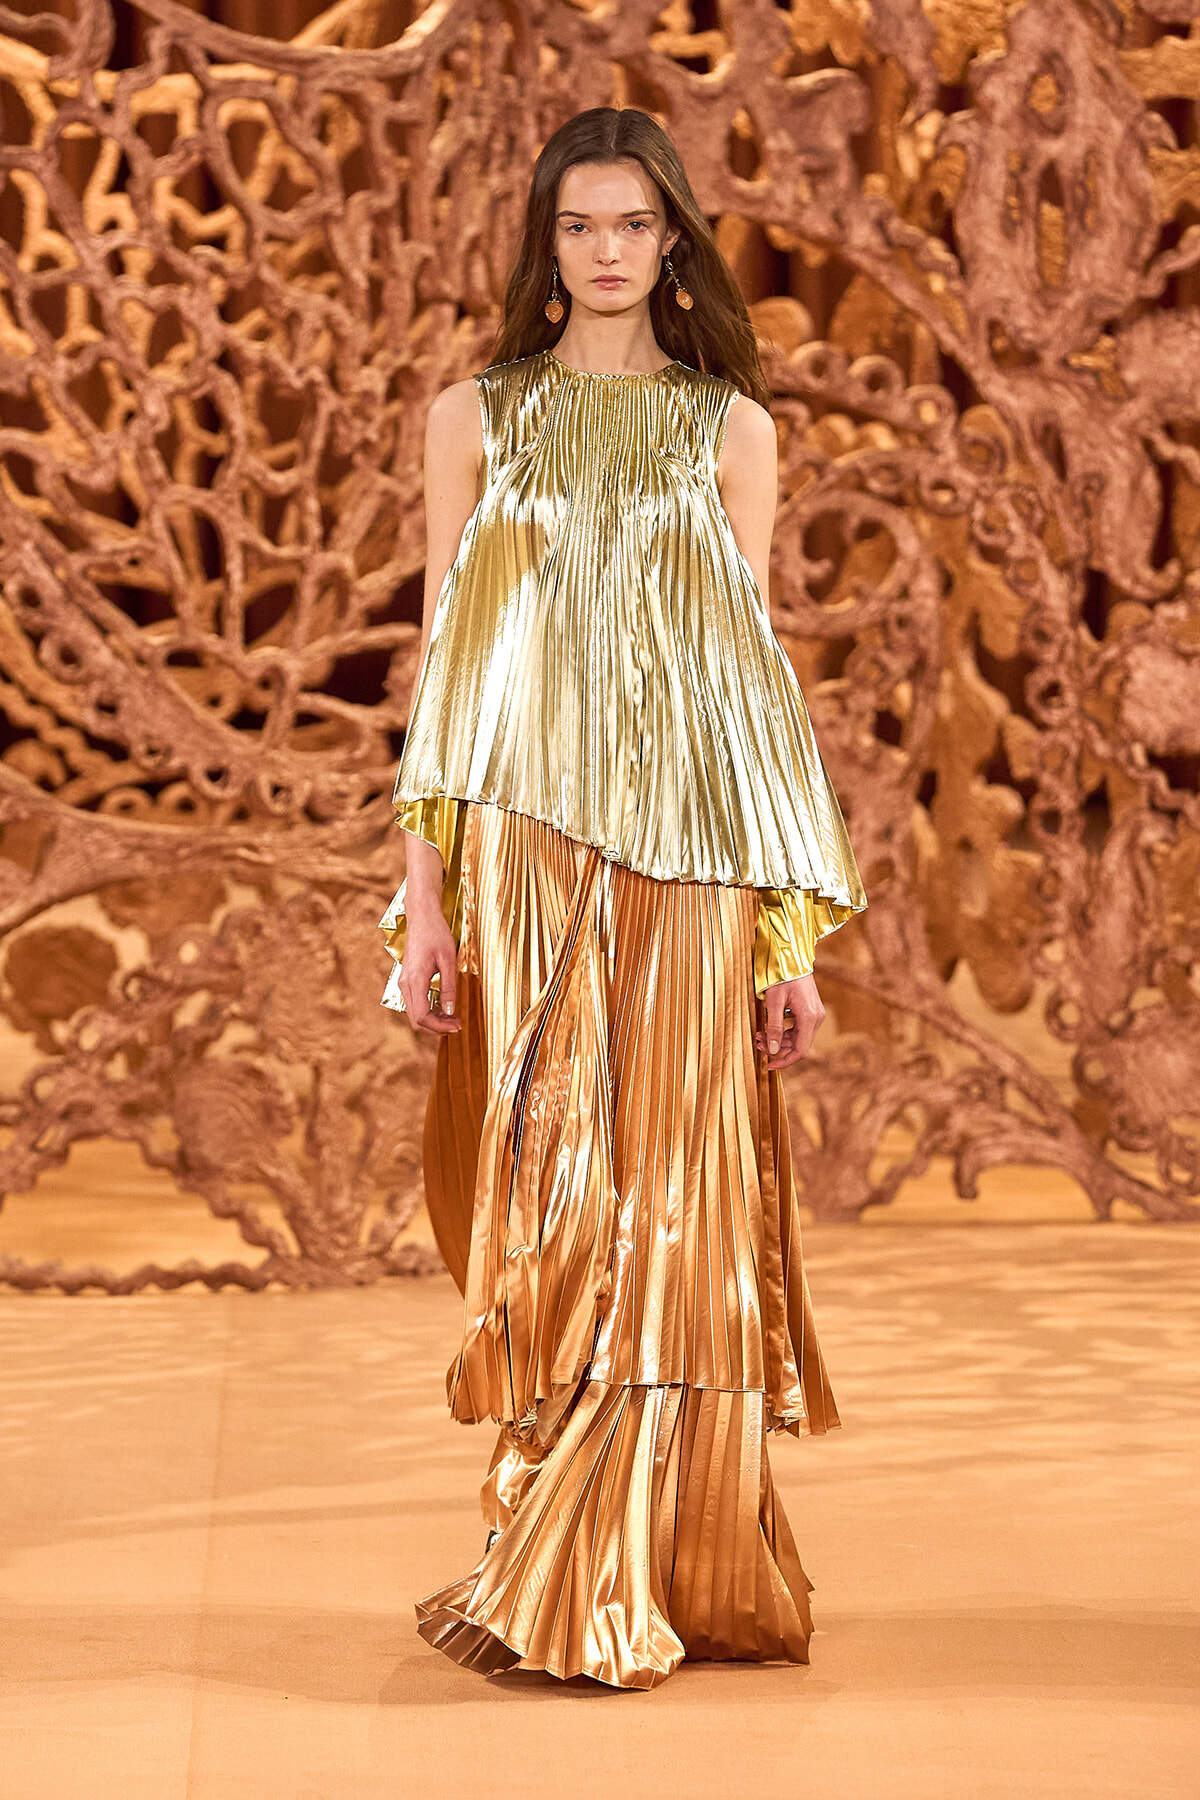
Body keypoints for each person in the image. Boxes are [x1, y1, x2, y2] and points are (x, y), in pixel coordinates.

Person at [380, 106, 866, 1691]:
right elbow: (444, 664)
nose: (606, 250)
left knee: (685, 1197)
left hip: (696, 852)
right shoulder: (473, 418)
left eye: (634, 224)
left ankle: (677, 1554)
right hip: (524, 842)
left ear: (673, 245)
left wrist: (787, 937)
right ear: (546, 244)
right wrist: (423, 897)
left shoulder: (732, 429)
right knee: (561, 1189)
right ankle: (562, 1544)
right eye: (579, 224)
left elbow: (749, 677)